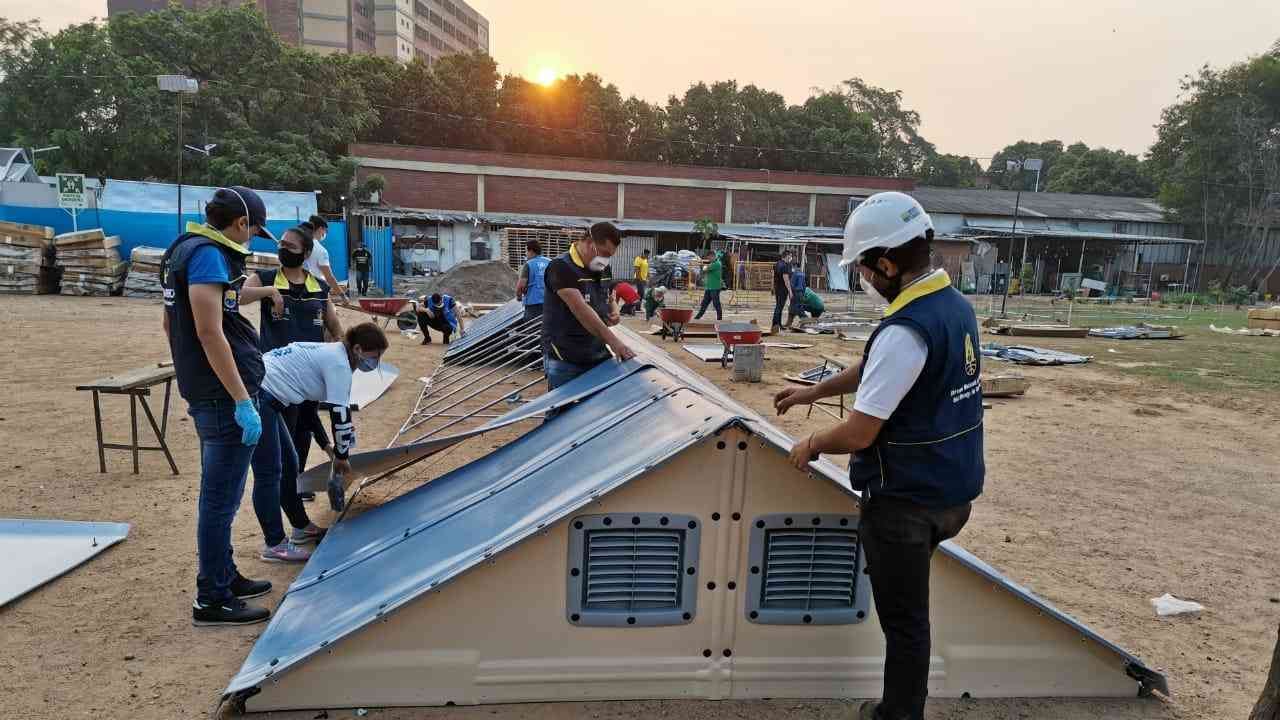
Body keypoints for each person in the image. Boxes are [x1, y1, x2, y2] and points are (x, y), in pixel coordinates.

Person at [773, 192, 983, 720]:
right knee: (911, 615)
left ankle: (898, 714)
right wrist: (813, 391)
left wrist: (811, 443)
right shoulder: (951, 306)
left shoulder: (906, 329)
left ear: (887, 264)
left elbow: (860, 433)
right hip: (952, 490)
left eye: (863, 268)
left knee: (906, 623)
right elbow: (875, 370)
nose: (863, 278)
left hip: (906, 504)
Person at [160, 186, 274, 627]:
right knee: (220, 500)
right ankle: (212, 598)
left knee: (221, 492)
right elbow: (209, 332)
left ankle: (225, 576)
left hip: (212, 389)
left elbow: (170, 322)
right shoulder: (207, 255)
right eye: (253, 231)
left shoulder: (185, 249)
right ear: (241, 223)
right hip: (223, 396)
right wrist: (241, 399)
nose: (252, 239)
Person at [251, 323, 388, 562]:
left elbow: (310, 414)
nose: (376, 362)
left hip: (267, 394)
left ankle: (301, 527)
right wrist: (342, 456)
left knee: (290, 464)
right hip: (259, 394)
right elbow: (340, 415)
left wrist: (332, 449)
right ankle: (274, 544)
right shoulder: (338, 364)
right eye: (375, 356)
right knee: (269, 474)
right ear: (357, 349)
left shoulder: (334, 354)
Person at [243, 224, 344, 516]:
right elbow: (237, 296)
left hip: (309, 375)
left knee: (304, 429)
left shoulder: (318, 287)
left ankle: (295, 484)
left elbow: (334, 327)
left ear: (306, 253)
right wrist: (270, 292)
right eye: (282, 244)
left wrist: (340, 354)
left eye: (290, 246)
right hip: (277, 380)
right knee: (282, 438)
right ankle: (283, 490)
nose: (282, 249)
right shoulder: (266, 278)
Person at [542, 221, 636, 389]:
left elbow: (608, 293)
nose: (605, 260)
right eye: (604, 253)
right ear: (589, 242)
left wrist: (613, 309)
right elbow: (581, 309)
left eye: (609, 256)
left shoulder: (602, 268)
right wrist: (615, 342)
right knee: (565, 404)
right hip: (566, 355)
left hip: (595, 351)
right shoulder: (560, 267)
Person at [303, 215, 346, 302]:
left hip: (299, 290)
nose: (325, 234)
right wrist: (343, 296)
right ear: (320, 229)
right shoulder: (321, 250)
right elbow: (329, 277)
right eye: (325, 231)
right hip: (316, 292)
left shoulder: (300, 244)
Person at [516, 239, 550, 321]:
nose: (525, 254)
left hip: (533, 304)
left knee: (531, 326)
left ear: (531, 251)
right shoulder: (550, 262)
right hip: (549, 302)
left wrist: (519, 296)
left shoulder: (529, 264)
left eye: (526, 251)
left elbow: (521, 285)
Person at [693, 250, 724, 321]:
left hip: (715, 287)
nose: (709, 259)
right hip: (709, 287)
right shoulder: (713, 263)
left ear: (713, 256)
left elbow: (705, 269)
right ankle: (697, 318)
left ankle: (719, 319)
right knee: (704, 304)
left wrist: (702, 265)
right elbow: (705, 269)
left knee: (716, 304)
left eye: (709, 258)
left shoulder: (717, 264)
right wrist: (703, 265)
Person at [771, 249, 794, 334]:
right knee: (779, 307)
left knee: (779, 307)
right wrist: (790, 291)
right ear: (787, 256)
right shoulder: (785, 266)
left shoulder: (777, 264)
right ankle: (775, 325)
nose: (791, 258)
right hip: (783, 289)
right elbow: (786, 280)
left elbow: (773, 276)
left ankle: (778, 325)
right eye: (790, 256)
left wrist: (773, 287)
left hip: (777, 288)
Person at [787, 262, 809, 330]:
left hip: (795, 293)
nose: (792, 268)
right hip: (801, 293)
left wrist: (790, 293)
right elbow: (804, 285)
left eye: (793, 267)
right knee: (792, 308)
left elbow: (792, 284)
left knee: (798, 309)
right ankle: (789, 323)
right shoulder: (803, 274)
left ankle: (806, 320)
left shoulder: (795, 274)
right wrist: (803, 294)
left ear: (796, 266)